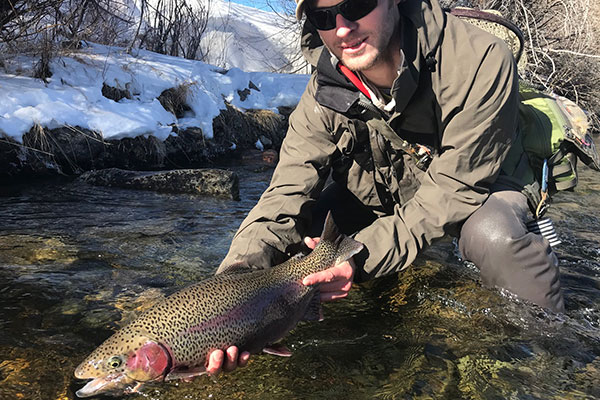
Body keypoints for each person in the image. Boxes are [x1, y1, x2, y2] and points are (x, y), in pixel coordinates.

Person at [205, 0, 565, 374]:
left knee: (492, 237)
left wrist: (358, 259)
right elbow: (283, 197)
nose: (342, 28)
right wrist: (230, 290)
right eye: (323, 16)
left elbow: (453, 190)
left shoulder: (480, 59)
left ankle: (549, 354)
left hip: (479, 183)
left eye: (356, 4)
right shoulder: (323, 93)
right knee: (297, 243)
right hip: (385, 189)